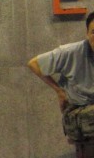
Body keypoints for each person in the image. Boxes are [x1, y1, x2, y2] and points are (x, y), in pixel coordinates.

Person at [28, 13, 94, 141]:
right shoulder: (70, 52)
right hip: (80, 113)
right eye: (93, 32)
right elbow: (33, 64)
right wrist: (59, 91)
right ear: (87, 34)